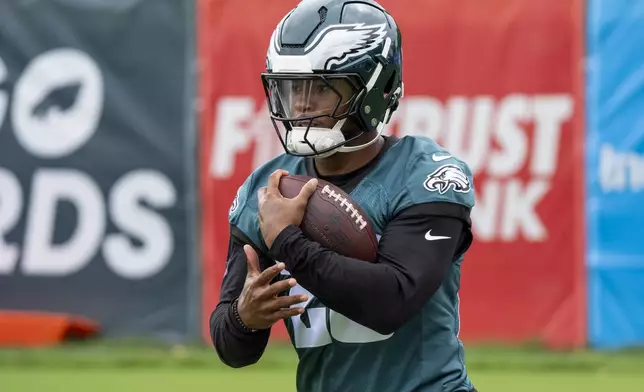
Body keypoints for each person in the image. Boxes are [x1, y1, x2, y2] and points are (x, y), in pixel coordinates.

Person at [210, 1, 478, 391]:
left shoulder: (425, 174)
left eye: (320, 88)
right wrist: (244, 316)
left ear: (374, 88)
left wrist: (288, 241)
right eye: (290, 87)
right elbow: (233, 349)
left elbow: (392, 300)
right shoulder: (267, 186)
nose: (300, 104)